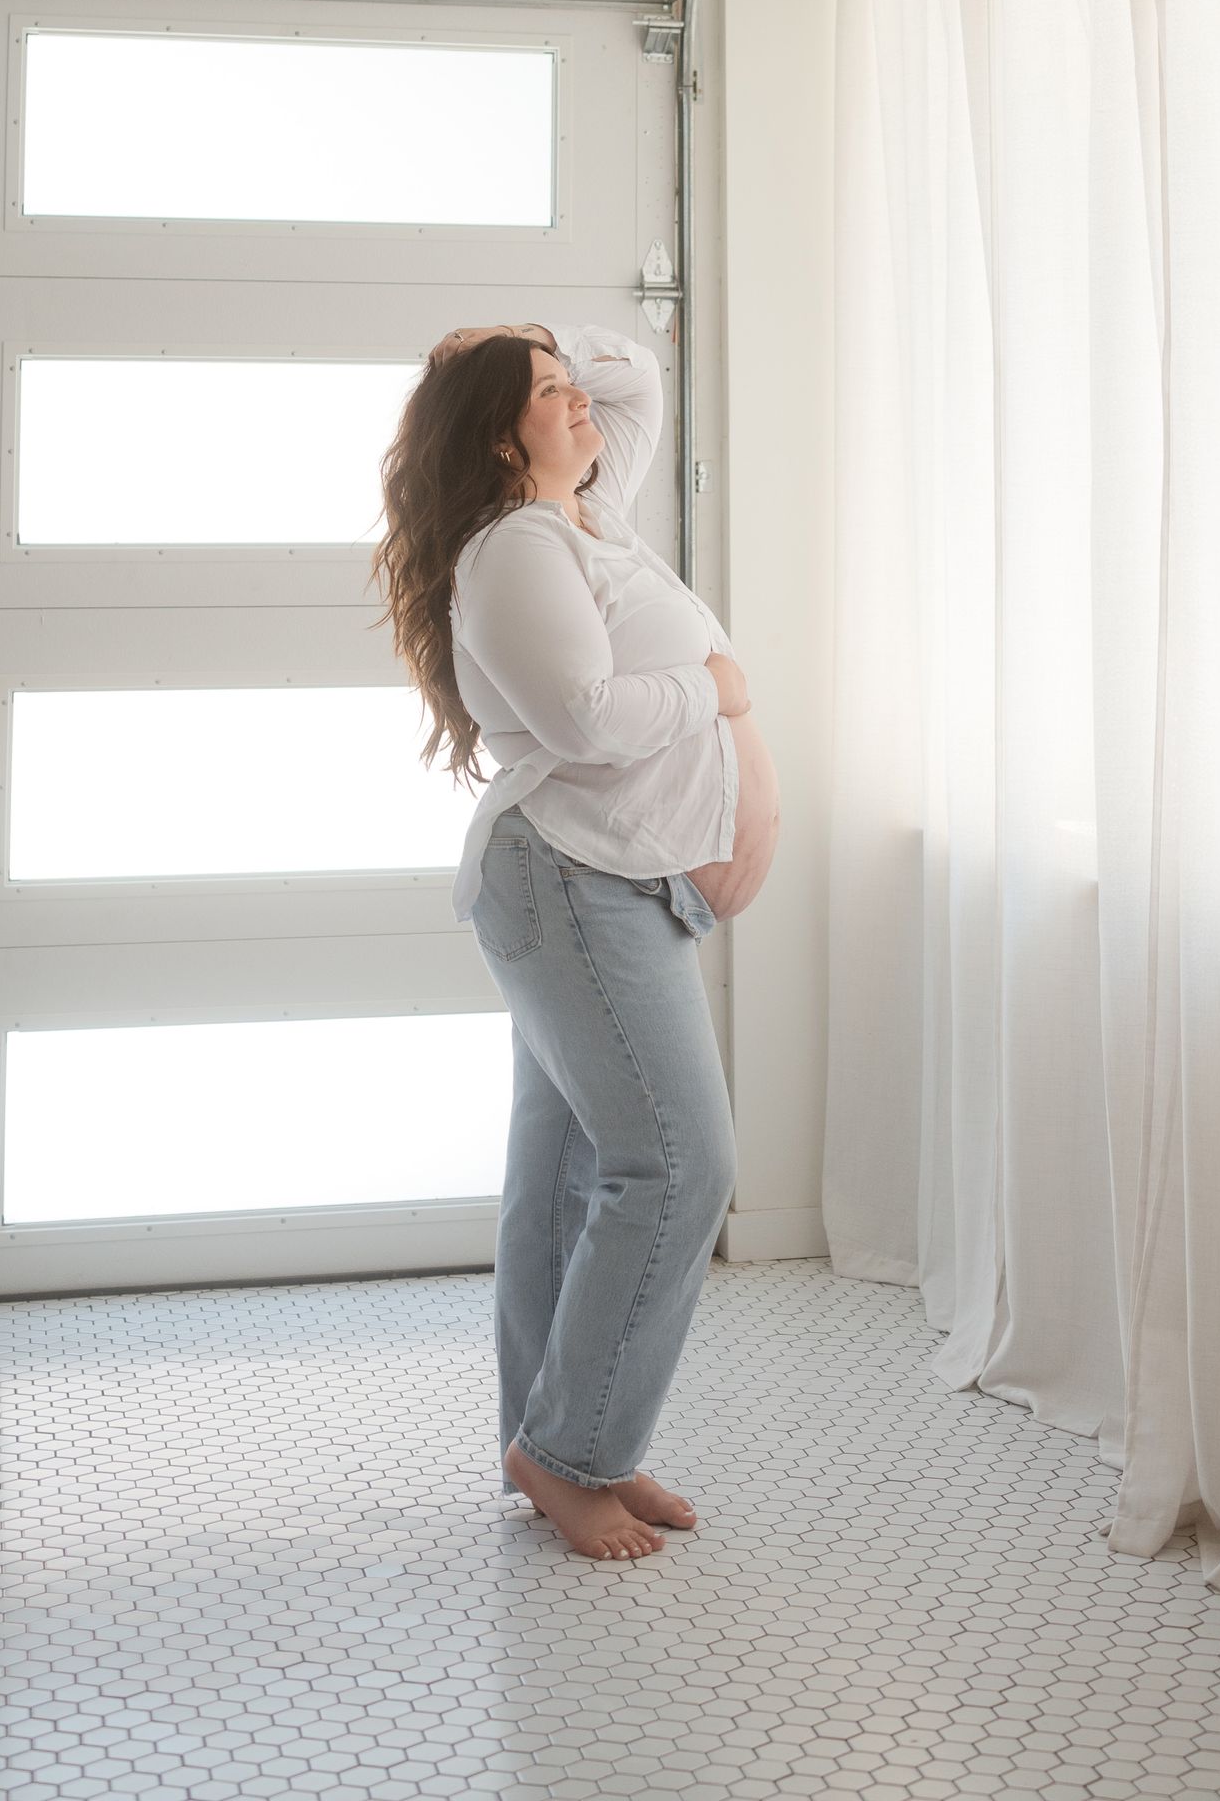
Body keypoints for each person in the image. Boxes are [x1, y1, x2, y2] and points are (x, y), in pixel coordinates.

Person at [375, 320, 781, 1562]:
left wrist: (527, 336)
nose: (579, 404)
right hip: (574, 884)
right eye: (549, 395)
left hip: (602, 883)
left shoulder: (588, 517)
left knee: (564, 1181)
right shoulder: (515, 550)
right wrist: (719, 686)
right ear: (504, 438)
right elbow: (589, 718)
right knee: (674, 1163)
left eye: (565, 387)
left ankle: (559, 1438)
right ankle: (570, 1456)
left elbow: (635, 378)